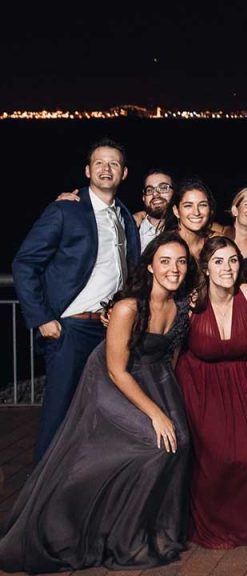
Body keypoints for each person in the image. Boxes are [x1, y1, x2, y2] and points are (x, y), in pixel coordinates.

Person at [0, 232, 194, 572]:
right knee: (153, 444)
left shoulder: (180, 308)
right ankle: (114, 534)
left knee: (182, 442)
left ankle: (152, 528)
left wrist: (169, 403)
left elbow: (170, 356)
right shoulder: (127, 307)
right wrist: (156, 415)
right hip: (110, 380)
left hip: (156, 377)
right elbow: (117, 370)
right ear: (150, 266)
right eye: (165, 261)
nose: (174, 269)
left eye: (180, 261)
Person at [13, 138, 141, 462]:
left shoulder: (125, 217)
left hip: (110, 330)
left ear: (124, 173)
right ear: (87, 170)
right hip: (71, 330)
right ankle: (39, 501)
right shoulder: (64, 210)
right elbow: (24, 263)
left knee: (102, 416)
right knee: (58, 417)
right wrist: (41, 317)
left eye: (113, 163)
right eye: (99, 162)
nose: (106, 168)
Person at [176, 236, 247, 548]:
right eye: (218, 261)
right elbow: (174, 351)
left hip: (242, 384)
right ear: (206, 267)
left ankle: (243, 527)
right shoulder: (192, 302)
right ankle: (206, 527)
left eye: (233, 260)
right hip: (199, 387)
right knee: (210, 463)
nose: (227, 267)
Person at [162, 178, 219, 260]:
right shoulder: (164, 245)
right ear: (176, 211)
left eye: (202, 205)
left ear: (210, 210)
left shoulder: (217, 242)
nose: (196, 212)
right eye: (188, 205)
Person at [138, 170, 175, 250]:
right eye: (149, 190)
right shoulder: (130, 228)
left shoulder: (186, 230)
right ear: (144, 198)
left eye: (163, 188)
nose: (155, 194)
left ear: (174, 193)